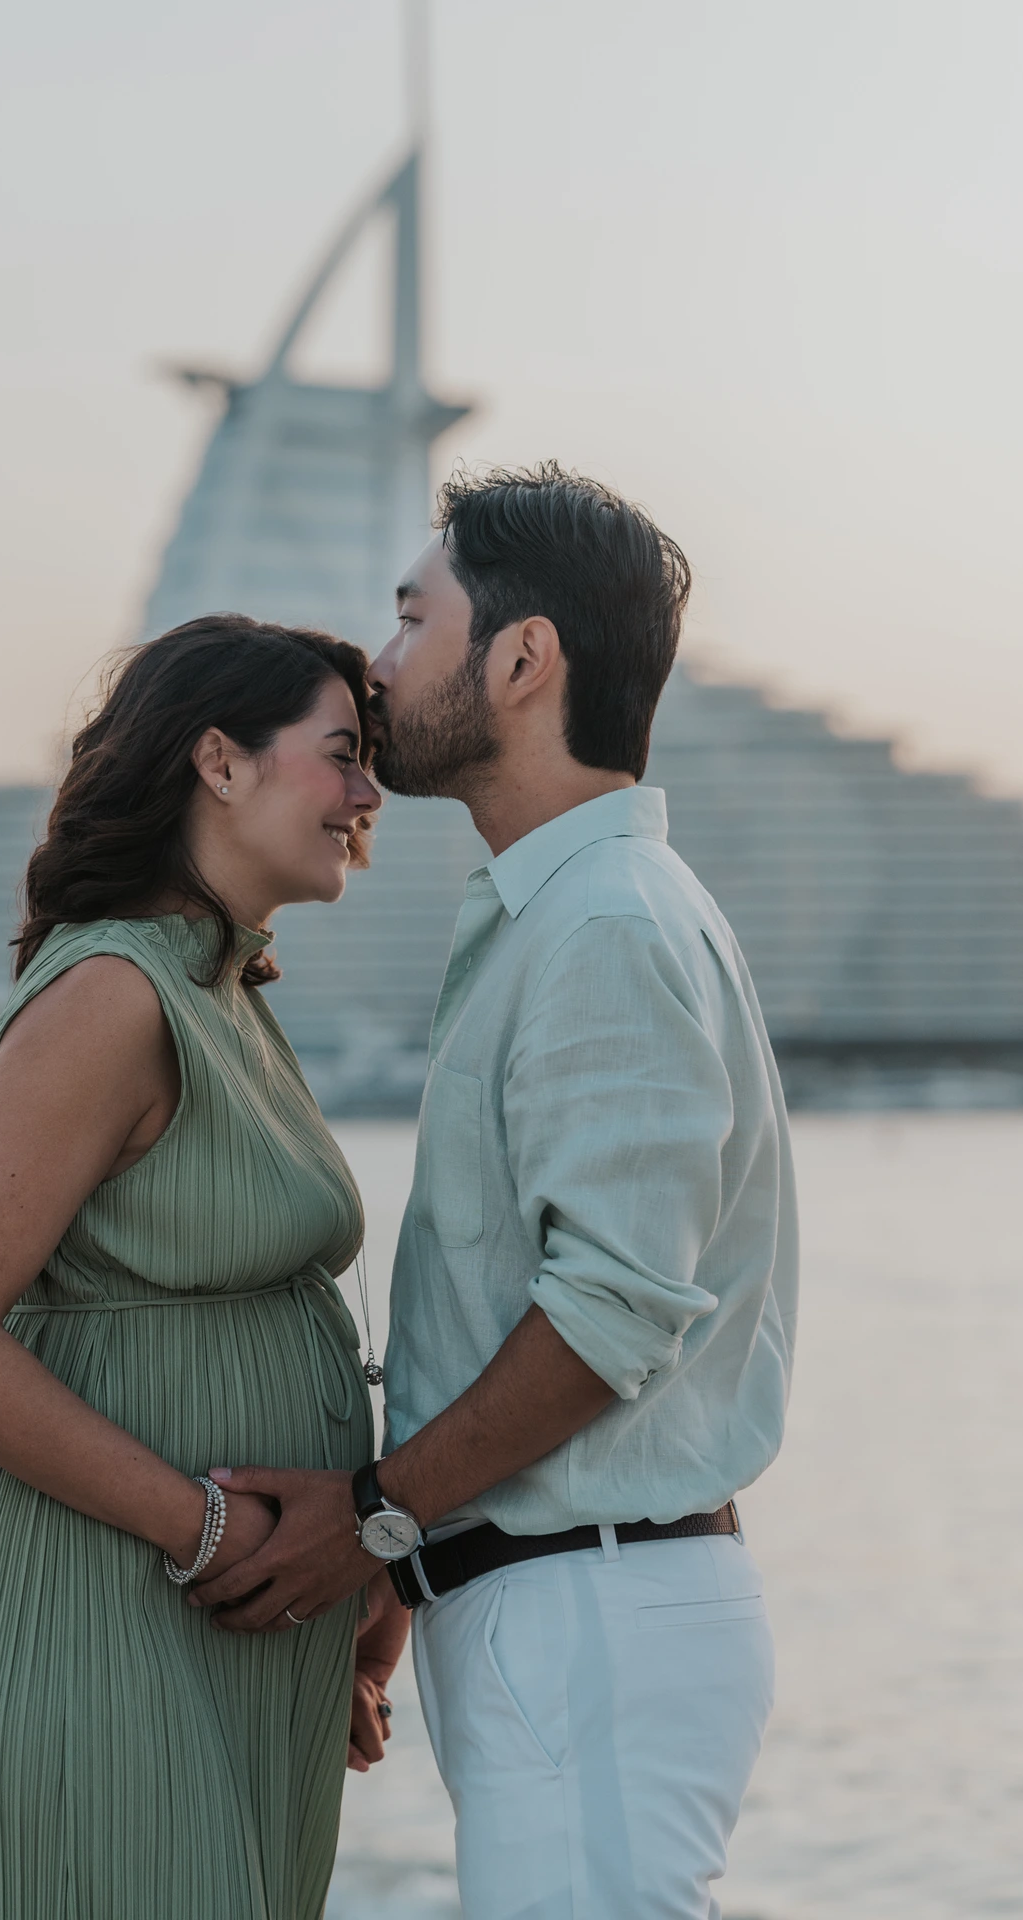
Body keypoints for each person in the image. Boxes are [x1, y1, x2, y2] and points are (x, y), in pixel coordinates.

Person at [189, 465, 799, 1920]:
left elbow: (609, 1315)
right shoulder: (565, 910)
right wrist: (411, 1566)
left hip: (593, 1610)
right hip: (560, 1595)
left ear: (523, 661)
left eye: (413, 620)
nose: (378, 666)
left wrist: (377, 1517)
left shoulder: (602, 926)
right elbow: (532, 1296)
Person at [0, 614, 394, 1920]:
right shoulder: (112, 996)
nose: (373, 795)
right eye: (343, 754)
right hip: (74, 1632)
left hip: (206, 1638)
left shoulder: (224, 992)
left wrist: (355, 1575)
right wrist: (205, 1533)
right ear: (219, 761)